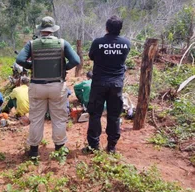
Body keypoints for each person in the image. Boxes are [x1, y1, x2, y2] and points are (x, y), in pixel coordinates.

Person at [16, 16, 80, 157]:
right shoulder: (62, 43)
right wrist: (63, 69)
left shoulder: (32, 44)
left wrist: (31, 66)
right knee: (58, 118)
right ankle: (59, 149)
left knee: (36, 118)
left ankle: (33, 151)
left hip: (37, 86)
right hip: (57, 85)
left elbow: (19, 59)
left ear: (41, 30)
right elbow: (76, 60)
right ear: (53, 30)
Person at [83, 16, 131, 154]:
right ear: (120, 29)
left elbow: (91, 57)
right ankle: (111, 147)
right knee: (114, 116)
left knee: (95, 114)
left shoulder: (98, 43)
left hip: (99, 84)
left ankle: (93, 146)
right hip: (116, 84)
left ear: (107, 28)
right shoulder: (126, 43)